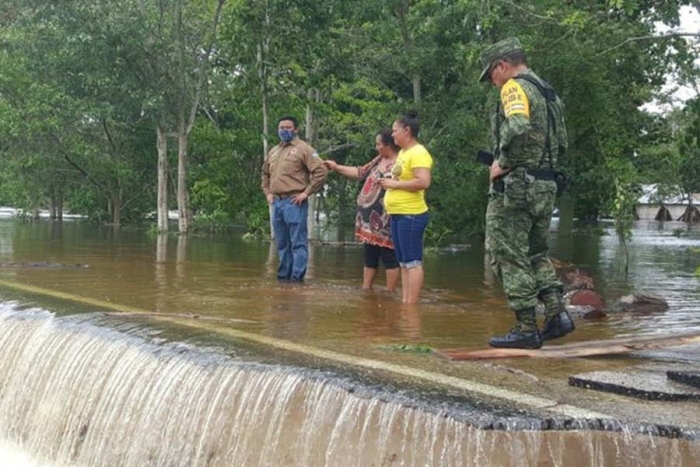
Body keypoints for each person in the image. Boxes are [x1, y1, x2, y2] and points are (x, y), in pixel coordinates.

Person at [478, 37, 574, 349]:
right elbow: (561, 143)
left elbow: (517, 126)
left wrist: (503, 163)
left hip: (517, 187)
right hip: (546, 184)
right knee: (536, 252)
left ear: (502, 65)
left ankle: (526, 327)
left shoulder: (513, 87)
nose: (493, 82)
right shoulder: (548, 92)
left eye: (491, 74)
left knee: (508, 254)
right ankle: (557, 315)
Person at [324, 129, 400, 292]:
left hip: (386, 218)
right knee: (369, 255)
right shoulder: (379, 159)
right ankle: (367, 290)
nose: (376, 147)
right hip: (368, 221)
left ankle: (390, 293)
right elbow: (360, 172)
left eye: (378, 144)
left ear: (388, 145)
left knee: (389, 256)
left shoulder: (400, 163)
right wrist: (336, 167)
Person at [261, 116, 327, 282]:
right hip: (276, 202)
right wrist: (268, 193)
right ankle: (283, 279)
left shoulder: (304, 149)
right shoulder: (274, 151)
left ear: (296, 129)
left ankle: (297, 279)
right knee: (282, 243)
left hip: (294, 202)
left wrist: (306, 193)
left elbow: (321, 171)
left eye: (288, 127)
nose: (284, 130)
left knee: (298, 243)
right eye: (281, 127)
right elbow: (265, 174)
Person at [379, 111, 433, 304]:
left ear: (407, 131)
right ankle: (406, 302)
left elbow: (423, 182)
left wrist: (394, 185)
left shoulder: (418, 152)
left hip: (411, 215)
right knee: (403, 263)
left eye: (395, 131)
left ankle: (411, 307)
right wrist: (388, 181)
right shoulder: (403, 153)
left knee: (413, 262)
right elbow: (403, 178)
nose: (392, 135)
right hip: (397, 214)